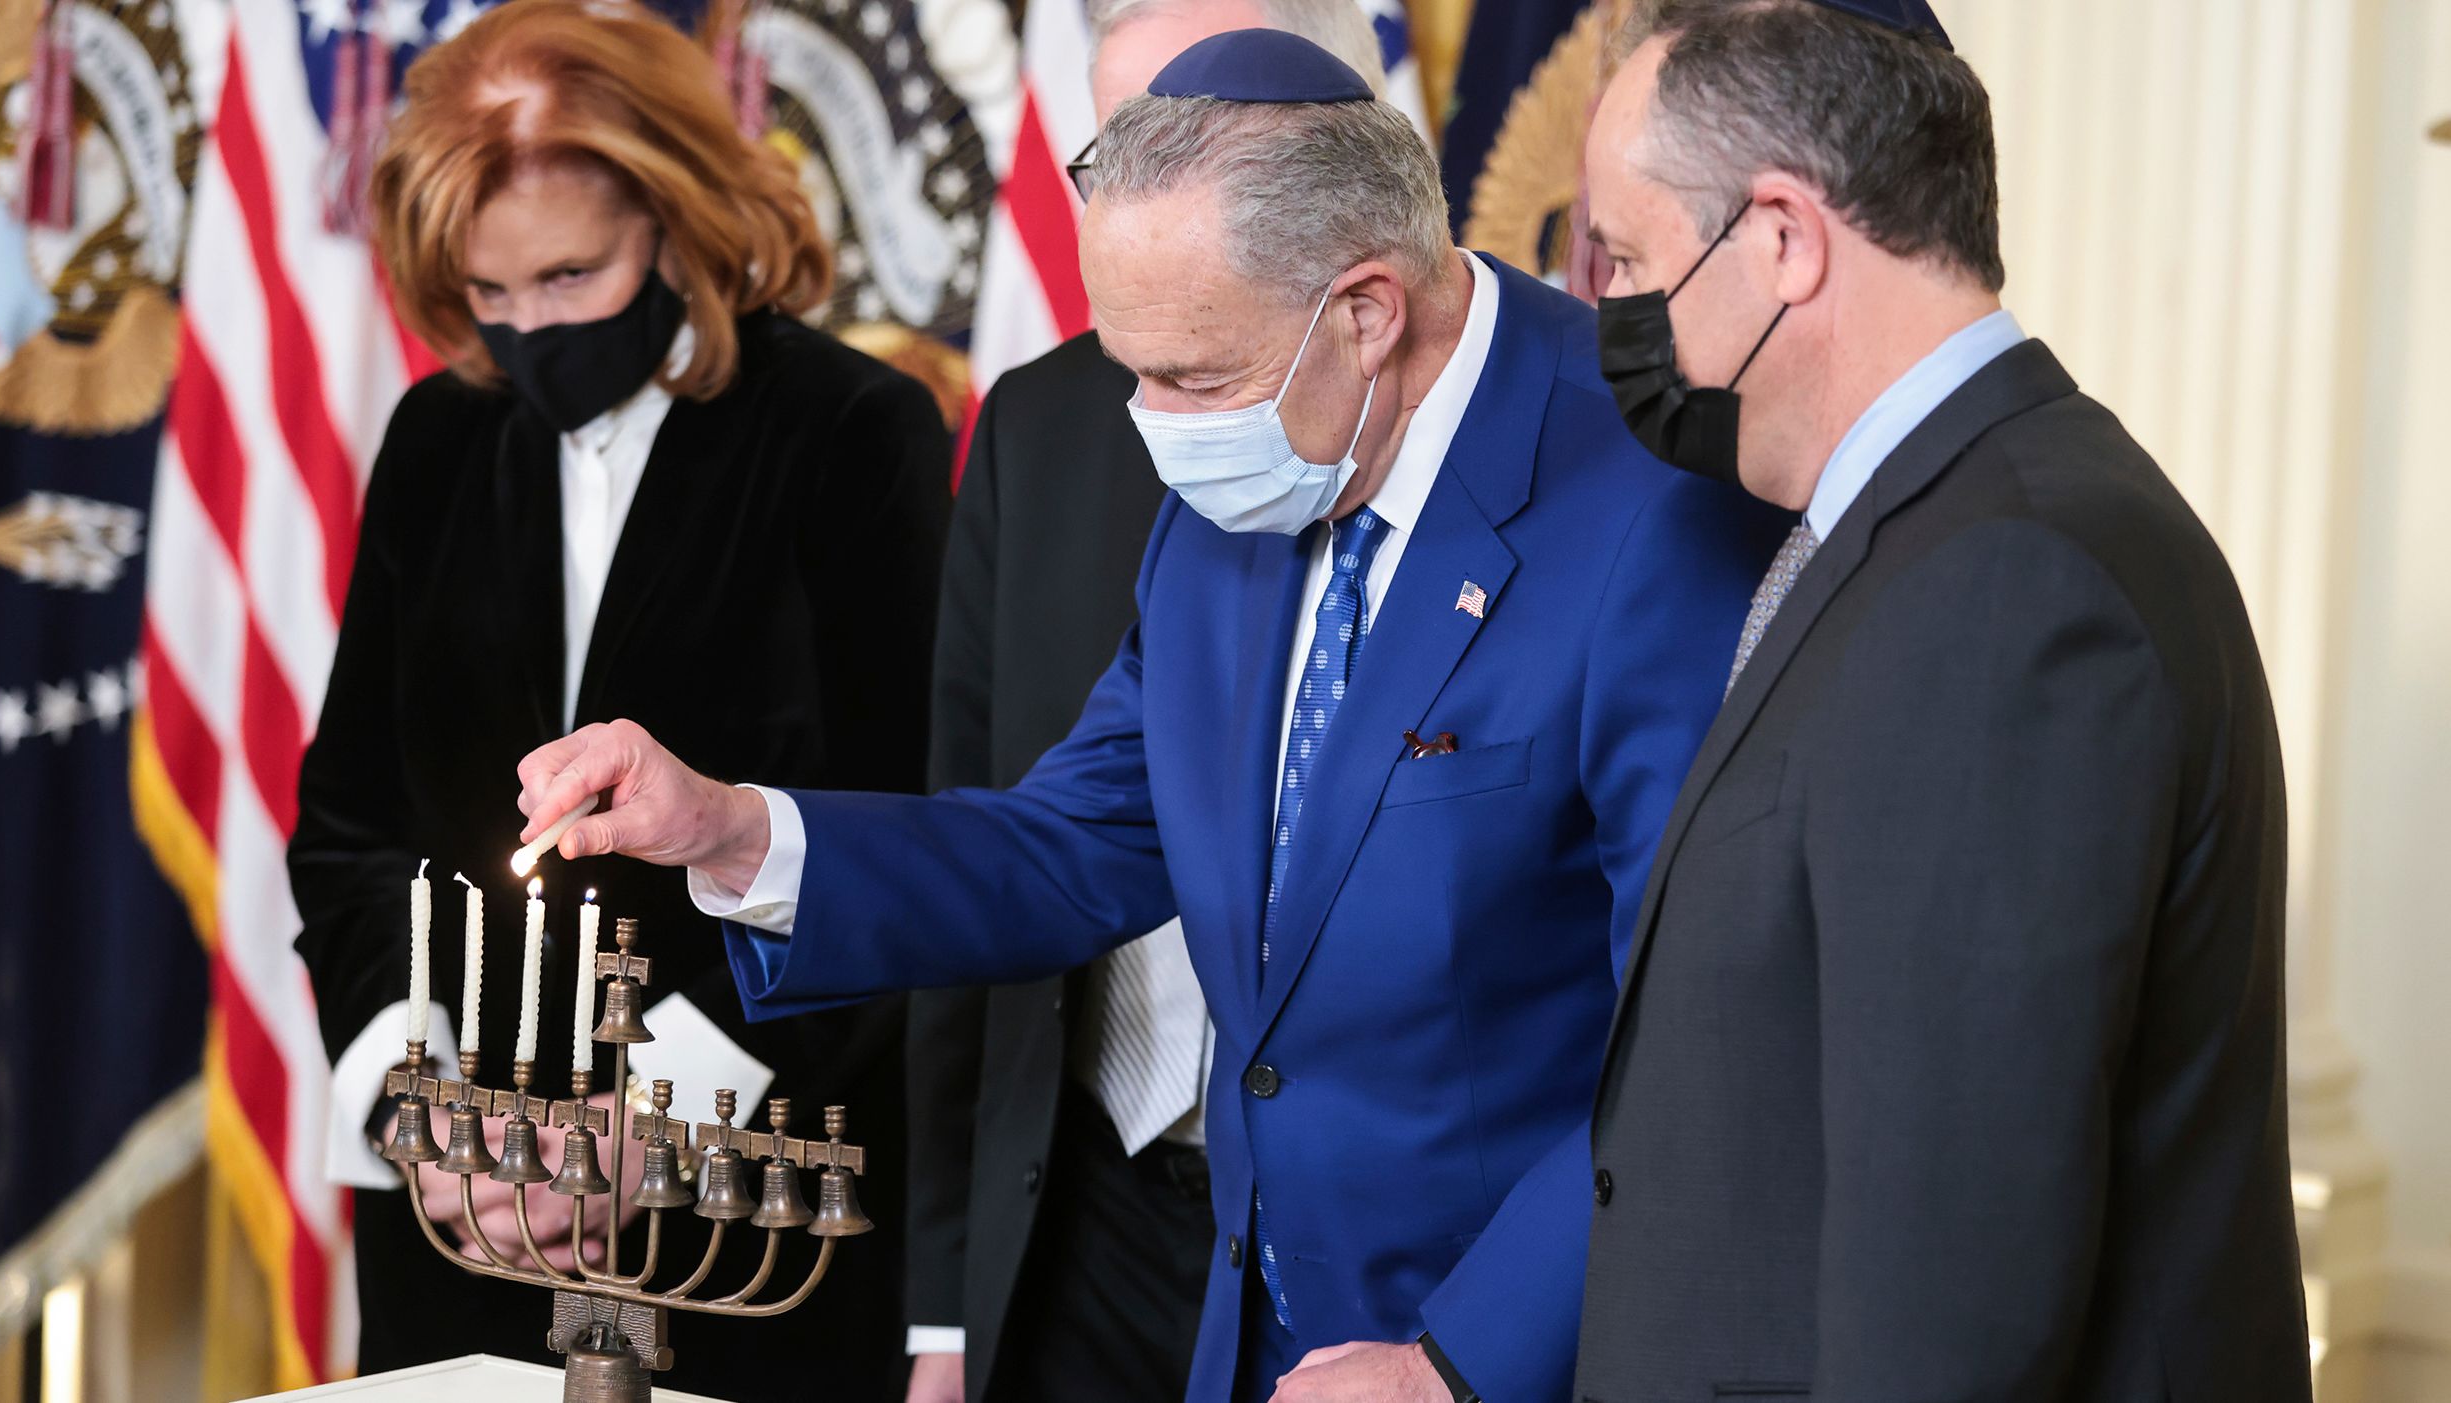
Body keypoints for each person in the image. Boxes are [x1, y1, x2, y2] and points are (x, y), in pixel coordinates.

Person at [515, 28, 1783, 1403]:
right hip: (1242, 1340)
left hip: (1508, 1355)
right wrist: (729, 830)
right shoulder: (1263, 453)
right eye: (1132, 368)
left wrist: (1458, 1361)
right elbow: (1078, 843)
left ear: (1364, 311)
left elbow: (1703, 1034)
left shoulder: (1658, 490)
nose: (1152, 426)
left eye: (1190, 378)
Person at [1570, 2, 2312, 1400]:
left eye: (1628, 256)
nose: (1606, 308)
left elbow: (1951, 1294)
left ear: (1781, 239)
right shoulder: (1953, 524)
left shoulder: (1999, 587)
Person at [285, 1, 951, 1394]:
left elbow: (903, 840)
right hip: (454, 1218)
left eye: (569, 277)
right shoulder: (436, 436)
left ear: (678, 215)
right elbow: (349, 828)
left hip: (752, 1214)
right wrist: (418, 1108)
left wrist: (652, 1125)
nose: (529, 330)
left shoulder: (849, 428)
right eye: (488, 292)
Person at [906, 10, 1392, 1403]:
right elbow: (987, 837)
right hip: (1078, 1219)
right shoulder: (1048, 423)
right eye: (1117, 148)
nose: (1144, 188)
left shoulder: (1534, 446)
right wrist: (942, 1308)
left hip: (1362, 1270)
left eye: (1198, 139)